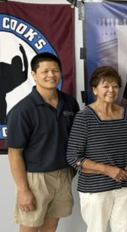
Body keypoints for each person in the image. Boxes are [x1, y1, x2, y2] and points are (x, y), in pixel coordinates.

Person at [6, 52, 79, 232]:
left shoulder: (69, 103)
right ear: (33, 74)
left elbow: (76, 139)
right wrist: (23, 190)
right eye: (45, 71)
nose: (51, 75)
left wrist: (71, 170)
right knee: (30, 228)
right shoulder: (22, 110)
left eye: (55, 70)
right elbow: (14, 153)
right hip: (35, 179)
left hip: (63, 175)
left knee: (51, 226)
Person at [67, 66, 127, 232]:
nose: (111, 90)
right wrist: (108, 170)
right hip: (95, 189)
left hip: (123, 186)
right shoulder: (84, 117)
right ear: (95, 90)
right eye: (105, 86)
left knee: (122, 229)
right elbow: (73, 157)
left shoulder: (126, 114)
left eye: (115, 86)